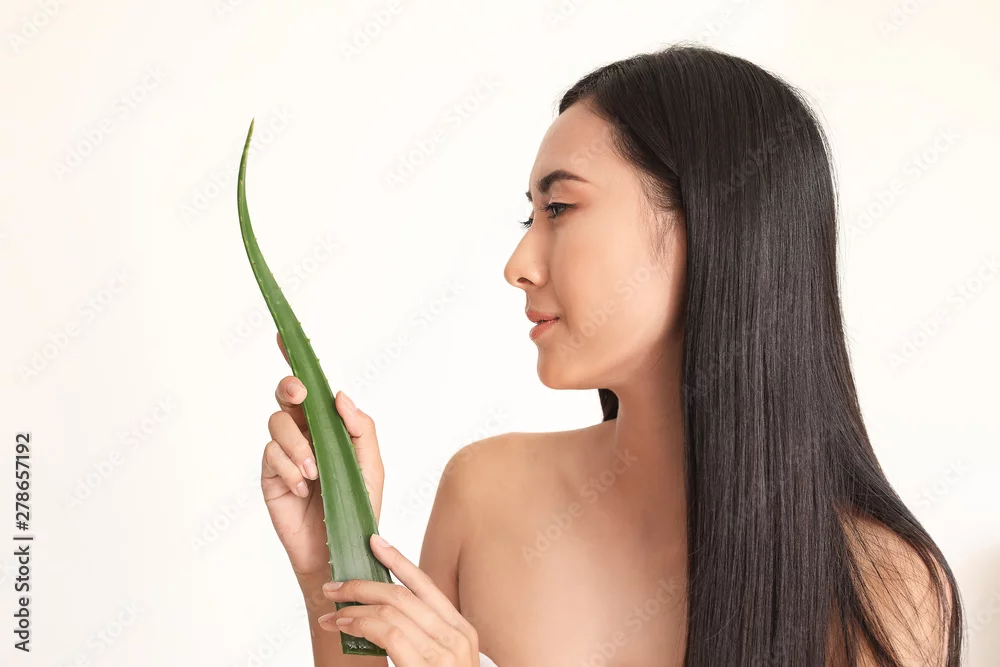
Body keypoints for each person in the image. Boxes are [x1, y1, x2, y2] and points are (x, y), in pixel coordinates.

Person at [258, 43, 963, 666]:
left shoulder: (883, 589)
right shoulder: (485, 495)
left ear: (709, 221)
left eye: (559, 209)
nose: (518, 264)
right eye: (529, 215)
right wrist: (334, 564)